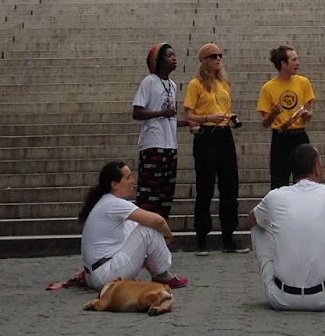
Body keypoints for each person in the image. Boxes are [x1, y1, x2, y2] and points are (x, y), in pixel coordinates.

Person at [247, 143, 325, 311]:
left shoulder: (275, 196)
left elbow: (249, 221)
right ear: (317, 168)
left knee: (258, 226)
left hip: (280, 298)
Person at [77, 160, 189, 292]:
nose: (133, 181)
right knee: (148, 229)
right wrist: (168, 235)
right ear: (114, 184)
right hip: (106, 276)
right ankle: (163, 275)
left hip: (96, 276)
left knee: (136, 224)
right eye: (128, 177)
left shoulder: (105, 202)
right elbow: (158, 221)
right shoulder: (113, 204)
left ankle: (156, 271)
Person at [183, 41, 242, 254]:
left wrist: (230, 117)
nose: (217, 59)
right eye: (213, 56)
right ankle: (201, 238)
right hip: (206, 134)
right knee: (205, 186)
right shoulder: (195, 84)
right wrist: (208, 117)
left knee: (230, 186)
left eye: (219, 55)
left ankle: (229, 236)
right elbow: (188, 115)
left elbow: (224, 108)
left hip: (224, 133)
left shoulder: (224, 84)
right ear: (204, 61)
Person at [131, 43, 182, 221]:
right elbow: (136, 112)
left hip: (170, 145)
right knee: (149, 194)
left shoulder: (173, 85)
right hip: (153, 145)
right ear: (159, 60)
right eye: (169, 55)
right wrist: (161, 113)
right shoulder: (149, 82)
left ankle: (159, 233)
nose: (174, 58)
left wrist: (190, 122)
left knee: (166, 194)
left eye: (174, 55)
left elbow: (171, 118)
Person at [257, 43, 315, 190]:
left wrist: (306, 114)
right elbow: (264, 123)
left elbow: (309, 113)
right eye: (294, 60)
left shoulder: (303, 83)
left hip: (300, 137)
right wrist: (274, 113)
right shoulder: (268, 88)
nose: (298, 63)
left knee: (305, 182)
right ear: (283, 63)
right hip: (280, 138)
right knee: (279, 182)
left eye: (297, 59)